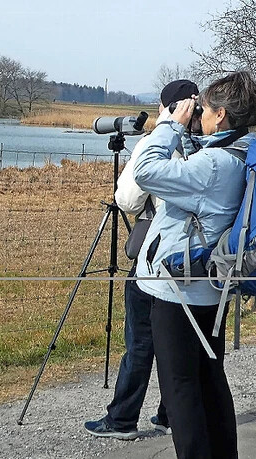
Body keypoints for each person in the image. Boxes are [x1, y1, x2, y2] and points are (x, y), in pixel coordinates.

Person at [133, 71, 256, 458]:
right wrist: (187, 133)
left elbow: (145, 171)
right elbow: (199, 168)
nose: (199, 114)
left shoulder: (213, 165)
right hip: (210, 288)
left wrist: (168, 125)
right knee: (209, 380)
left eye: (204, 109)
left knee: (181, 389)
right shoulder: (242, 152)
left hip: (178, 292)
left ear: (221, 115)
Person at [83, 80, 199, 440]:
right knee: (179, 340)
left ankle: (122, 419)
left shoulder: (155, 144)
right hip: (196, 257)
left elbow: (129, 201)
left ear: (164, 108)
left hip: (156, 255)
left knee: (140, 341)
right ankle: (171, 415)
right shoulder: (206, 142)